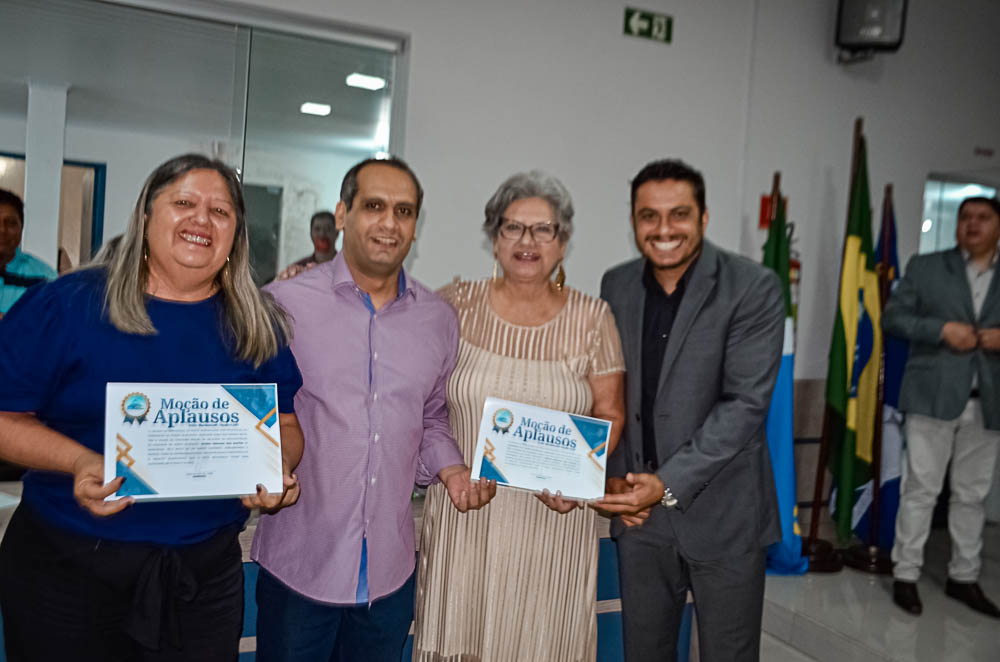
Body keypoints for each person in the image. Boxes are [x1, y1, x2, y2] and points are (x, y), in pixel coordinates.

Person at [0, 153, 304, 661]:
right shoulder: (69, 304)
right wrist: (78, 461)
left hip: (201, 584)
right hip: (68, 573)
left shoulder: (256, 323)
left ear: (235, 235)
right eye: (184, 202)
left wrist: (278, 468)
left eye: (221, 211)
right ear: (145, 217)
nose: (201, 220)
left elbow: (287, 424)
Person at [251, 156, 496, 662]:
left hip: (389, 576)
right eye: (374, 206)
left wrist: (451, 472)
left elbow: (429, 417)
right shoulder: (282, 304)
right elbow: (255, 414)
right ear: (342, 213)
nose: (389, 223)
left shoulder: (437, 320)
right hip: (301, 568)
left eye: (404, 211)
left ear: (415, 226)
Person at [413, 171, 626, 661]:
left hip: (554, 526)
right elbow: (421, 401)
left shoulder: (594, 319)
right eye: (512, 227)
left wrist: (579, 479)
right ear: (493, 238)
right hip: (465, 518)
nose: (527, 241)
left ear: (563, 242)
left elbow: (610, 414)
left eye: (543, 229)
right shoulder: (454, 304)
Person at [596, 159, 785, 661]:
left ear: (703, 218)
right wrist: (615, 479)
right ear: (633, 220)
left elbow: (745, 405)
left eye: (678, 214)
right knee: (645, 652)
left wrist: (667, 482)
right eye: (648, 216)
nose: (663, 230)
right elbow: (615, 392)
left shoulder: (754, 287)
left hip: (726, 516)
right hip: (641, 522)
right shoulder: (615, 285)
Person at [884, 195, 1000, 619]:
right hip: (933, 396)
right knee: (921, 490)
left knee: (972, 495)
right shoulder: (927, 267)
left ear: (998, 226)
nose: (972, 224)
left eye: (983, 218)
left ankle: (963, 578)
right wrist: (941, 330)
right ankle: (906, 574)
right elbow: (893, 318)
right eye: (965, 217)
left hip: (988, 402)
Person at [0, 187, 57, 317]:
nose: (2, 230)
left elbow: (51, 327)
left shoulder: (45, 277)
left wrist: (10, 323)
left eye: (11, 223)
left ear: (22, 228)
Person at [275, 210, 338, 280]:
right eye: (317, 229)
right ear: (311, 234)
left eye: (328, 229)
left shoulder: (347, 267)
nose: (322, 234)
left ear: (337, 233)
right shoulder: (297, 270)